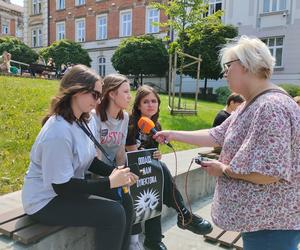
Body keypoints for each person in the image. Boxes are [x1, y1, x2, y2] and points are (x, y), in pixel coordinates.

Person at [153, 36, 300, 250]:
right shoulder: (254, 103)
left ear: (246, 64)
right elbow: (218, 134)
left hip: (272, 226)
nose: (224, 73)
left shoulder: (270, 107)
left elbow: (268, 173)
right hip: (265, 222)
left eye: (228, 66)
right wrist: (173, 134)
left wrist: (223, 170)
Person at [21, 65, 138, 250]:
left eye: (100, 96)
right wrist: (109, 182)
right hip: (44, 201)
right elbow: (62, 187)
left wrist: (119, 174)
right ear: (77, 91)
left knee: (124, 196)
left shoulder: (86, 119)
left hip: (65, 190)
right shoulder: (57, 132)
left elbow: (89, 160)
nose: (99, 101)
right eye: (95, 95)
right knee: (113, 213)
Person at [126, 85, 213, 250]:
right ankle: (183, 215)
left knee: (156, 184)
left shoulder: (155, 126)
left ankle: (155, 239)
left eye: (154, 101)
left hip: (147, 171)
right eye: (145, 102)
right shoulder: (130, 123)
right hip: (129, 170)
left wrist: (156, 155)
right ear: (138, 105)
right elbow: (132, 154)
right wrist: (151, 157)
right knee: (159, 174)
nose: (150, 105)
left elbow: (152, 154)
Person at [92, 73, 139, 249]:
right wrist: (117, 177)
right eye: (126, 91)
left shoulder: (124, 117)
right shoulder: (94, 116)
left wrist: (123, 174)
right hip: (97, 175)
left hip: (114, 172)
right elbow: (94, 158)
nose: (130, 96)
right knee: (121, 207)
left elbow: (120, 150)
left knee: (128, 202)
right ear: (112, 94)